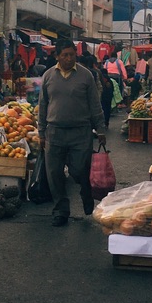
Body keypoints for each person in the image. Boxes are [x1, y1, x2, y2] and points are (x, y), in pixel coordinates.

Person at [39, 39, 106, 227]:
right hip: (54, 132)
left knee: (79, 170)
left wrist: (100, 128)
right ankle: (61, 210)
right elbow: (42, 106)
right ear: (57, 56)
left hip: (80, 132)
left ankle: (86, 193)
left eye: (72, 55)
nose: (69, 59)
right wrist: (41, 132)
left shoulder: (86, 76)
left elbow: (94, 104)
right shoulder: (48, 76)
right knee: (55, 174)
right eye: (65, 55)